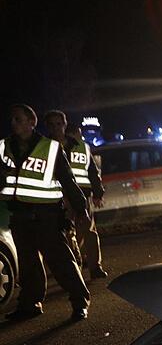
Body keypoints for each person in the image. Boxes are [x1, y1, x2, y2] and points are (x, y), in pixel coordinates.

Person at [0, 104, 90, 322]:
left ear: (32, 122)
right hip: (19, 215)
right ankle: (30, 304)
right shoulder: (4, 147)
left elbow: (67, 180)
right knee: (28, 264)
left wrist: (81, 209)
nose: (13, 123)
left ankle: (80, 302)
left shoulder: (50, 148)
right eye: (12, 119)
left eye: (18, 119)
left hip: (46, 215)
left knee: (61, 262)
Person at [43, 110, 107, 279]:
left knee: (89, 232)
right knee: (68, 235)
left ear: (65, 125)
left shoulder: (81, 146)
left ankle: (95, 267)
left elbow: (92, 171)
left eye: (59, 124)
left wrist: (98, 193)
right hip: (59, 197)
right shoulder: (43, 148)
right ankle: (75, 269)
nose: (56, 128)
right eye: (52, 125)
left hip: (82, 195)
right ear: (47, 127)